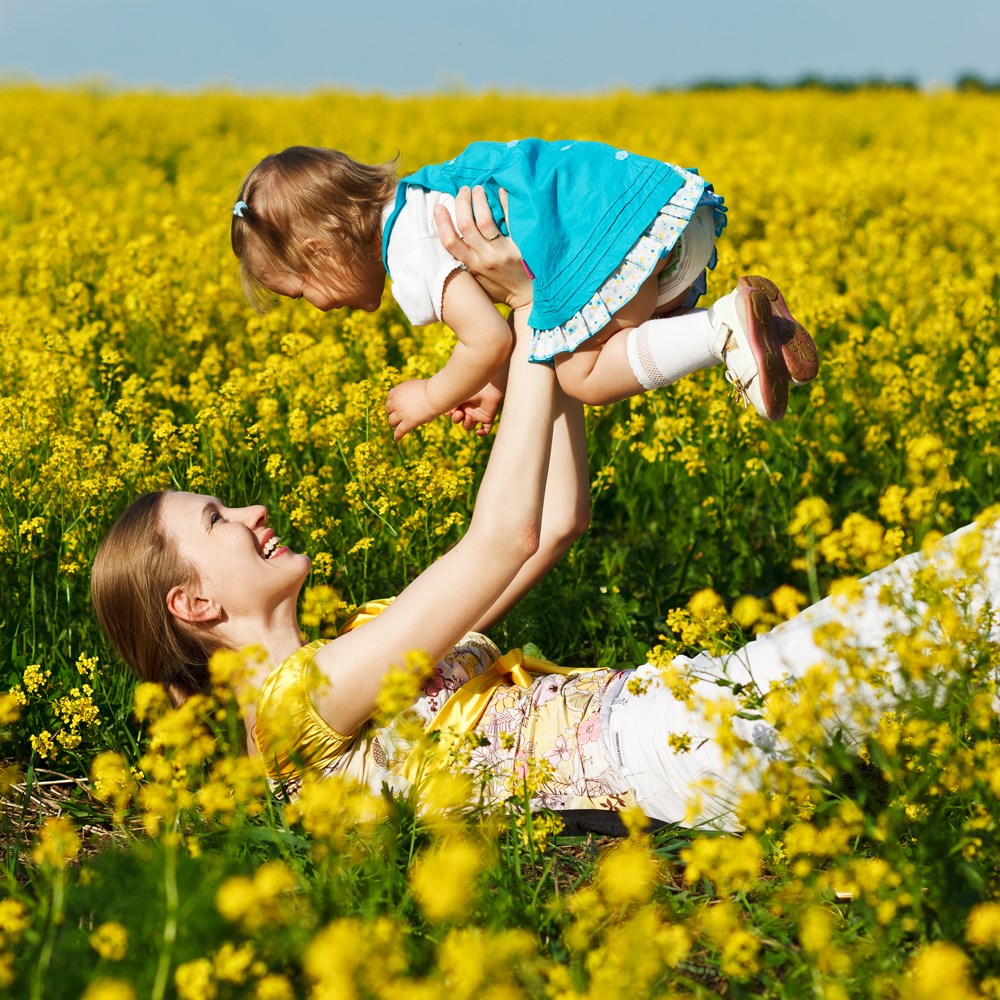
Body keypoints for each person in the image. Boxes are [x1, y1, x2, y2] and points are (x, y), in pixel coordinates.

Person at [93, 215, 997, 833]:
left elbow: (554, 522)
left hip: (686, 722)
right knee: (969, 584)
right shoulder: (292, 711)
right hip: (664, 749)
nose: (251, 511)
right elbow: (498, 541)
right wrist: (533, 311)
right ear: (193, 602)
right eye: (215, 519)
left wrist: (551, 362)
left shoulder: (363, 639)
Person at [230, 139, 818, 440]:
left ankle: (723, 328)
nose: (316, 308)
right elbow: (512, 333)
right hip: (650, 215)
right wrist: (495, 387)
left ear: (320, 253)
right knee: (604, 338)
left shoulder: (411, 246)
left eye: (301, 292)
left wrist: (432, 396)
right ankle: (770, 329)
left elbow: (487, 337)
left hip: (612, 236)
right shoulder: (421, 197)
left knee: (580, 376)